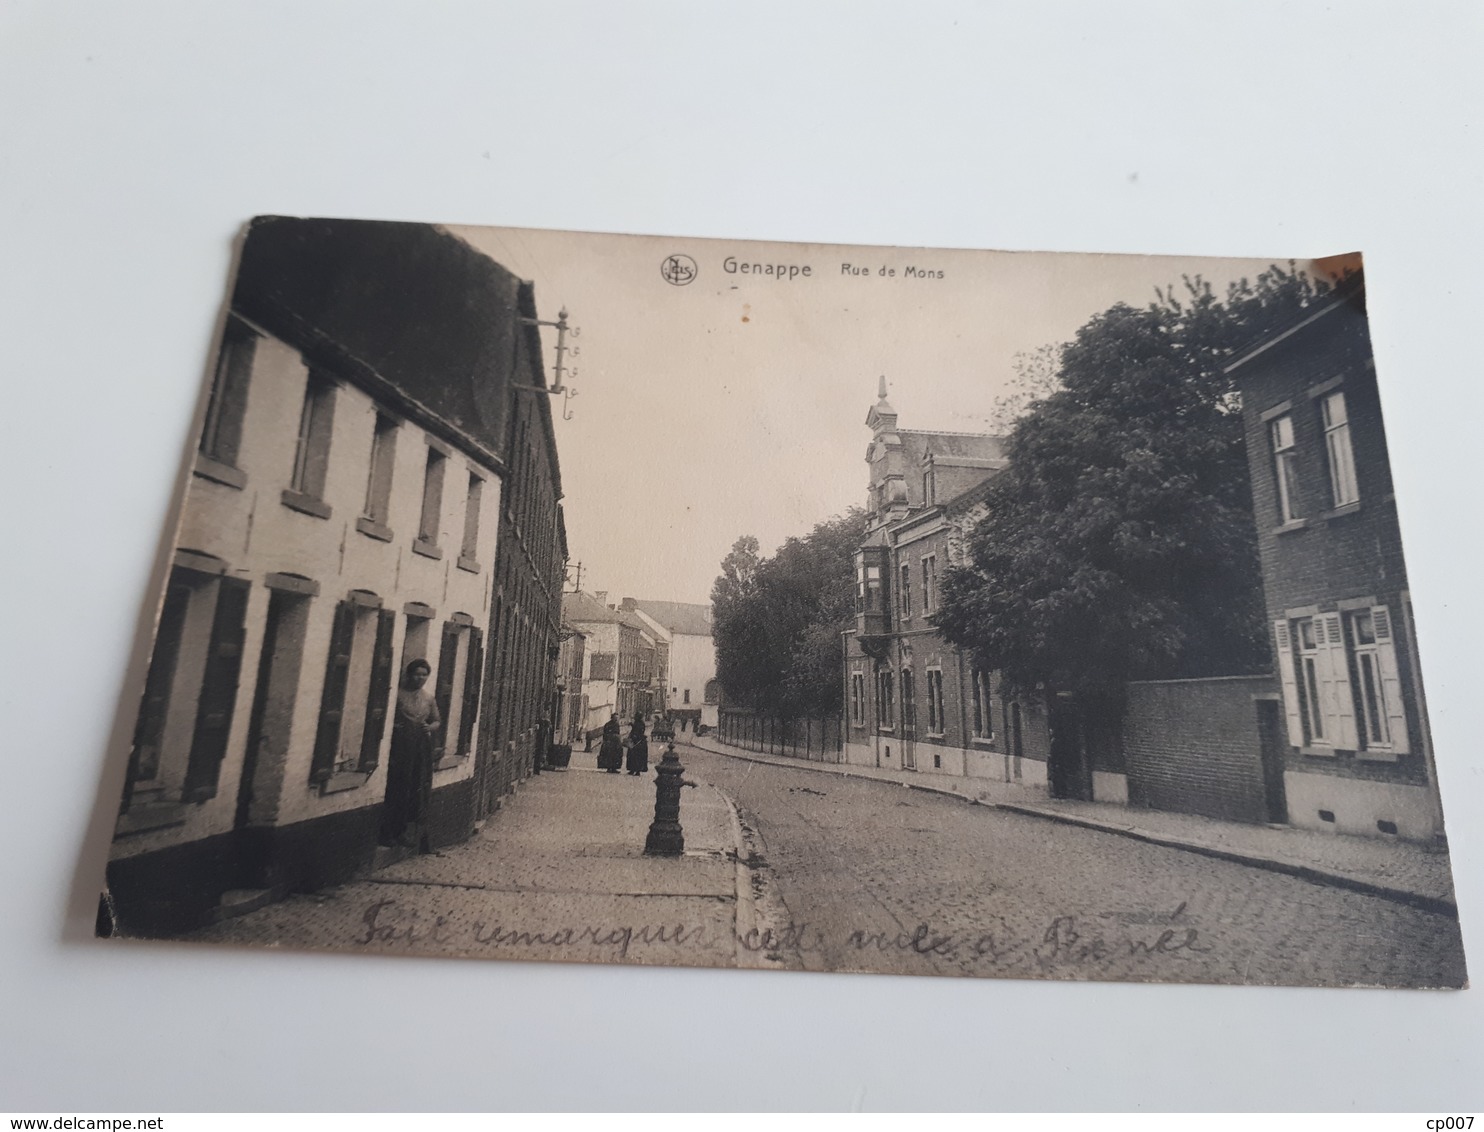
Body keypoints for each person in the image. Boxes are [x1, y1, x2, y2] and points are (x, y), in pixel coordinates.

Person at [380, 658, 441, 849]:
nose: (420, 678)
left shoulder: (429, 698)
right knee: (398, 786)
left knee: (415, 787)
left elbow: (437, 720)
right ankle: (388, 832)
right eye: (417, 674)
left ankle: (402, 832)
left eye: (424, 675)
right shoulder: (398, 695)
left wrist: (429, 727)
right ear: (409, 675)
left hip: (420, 747)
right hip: (400, 746)